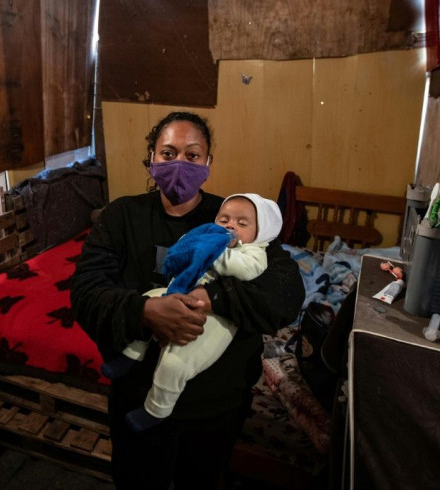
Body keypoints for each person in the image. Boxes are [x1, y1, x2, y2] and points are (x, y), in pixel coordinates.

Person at [70, 111, 304, 489]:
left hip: (215, 406)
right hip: (136, 398)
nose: (179, 163)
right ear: (151, 158)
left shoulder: (233, 217)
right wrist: (144, 312)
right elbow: (85, 293)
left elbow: (285, 293)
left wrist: (210, 297)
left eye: (192, 155)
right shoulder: (120, 217)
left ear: (208, 162)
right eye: (168, 153)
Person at [101, 194, 283, 433]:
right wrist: (195, 243)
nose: (230, 226)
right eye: (224, 219)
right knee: (147, 301)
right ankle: (131, 354)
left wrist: (214, 252)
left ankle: (156, 408)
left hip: (216, 318)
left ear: (260, 233)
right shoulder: (209, 235)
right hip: (181, 291)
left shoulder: (254, 251)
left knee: (177, 361)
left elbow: (246, 270)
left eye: (242, 223)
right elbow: (186, 247)